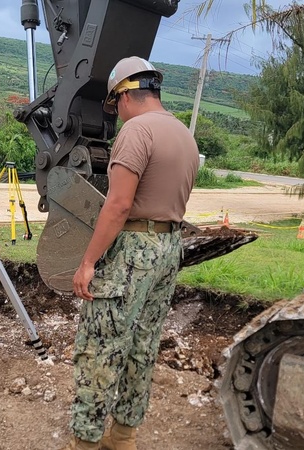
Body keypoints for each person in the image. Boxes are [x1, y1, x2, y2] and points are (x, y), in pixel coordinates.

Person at [62, 56, 200, 449]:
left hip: (133, 252)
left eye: (114, 105)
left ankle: (84, 440)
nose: (117, 114)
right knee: (143, 344)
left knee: (100, 346)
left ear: (124, 95)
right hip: (168, 247)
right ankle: (124, 435)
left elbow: (119, 205)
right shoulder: (183, 135)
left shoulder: (137, 131)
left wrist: (88, 262)